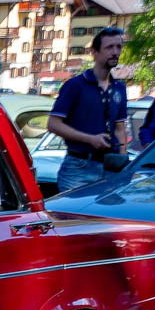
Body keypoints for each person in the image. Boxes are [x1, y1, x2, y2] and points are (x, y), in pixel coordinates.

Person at [47, 26, 128, 192]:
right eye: (109, 47)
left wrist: (122, 158)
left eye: (118, 47)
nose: (115, 52)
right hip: (79, 168)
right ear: (94, 52)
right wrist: (90, 139)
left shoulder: (119, 88)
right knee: (74, 210)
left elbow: (120, 128)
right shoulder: (75, 85)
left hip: (110, 168)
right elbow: (53, 124)